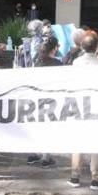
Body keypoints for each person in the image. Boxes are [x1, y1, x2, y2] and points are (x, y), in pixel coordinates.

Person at [69, 32, 98, 190]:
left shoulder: (76, 63)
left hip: (79, 106)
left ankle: (75, 176)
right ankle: (97, 177)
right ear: (96, 47)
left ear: (82, 46)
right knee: (97, 141)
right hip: (96, 107)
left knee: (78, 142)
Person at [27, 37, 63, 168]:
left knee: (37, 126)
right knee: (49, 127)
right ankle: (46, 157)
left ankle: (33, 154)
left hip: (37, 99)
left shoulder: (37, 61)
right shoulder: (57, 64)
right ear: (54, 49)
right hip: (51, 100)